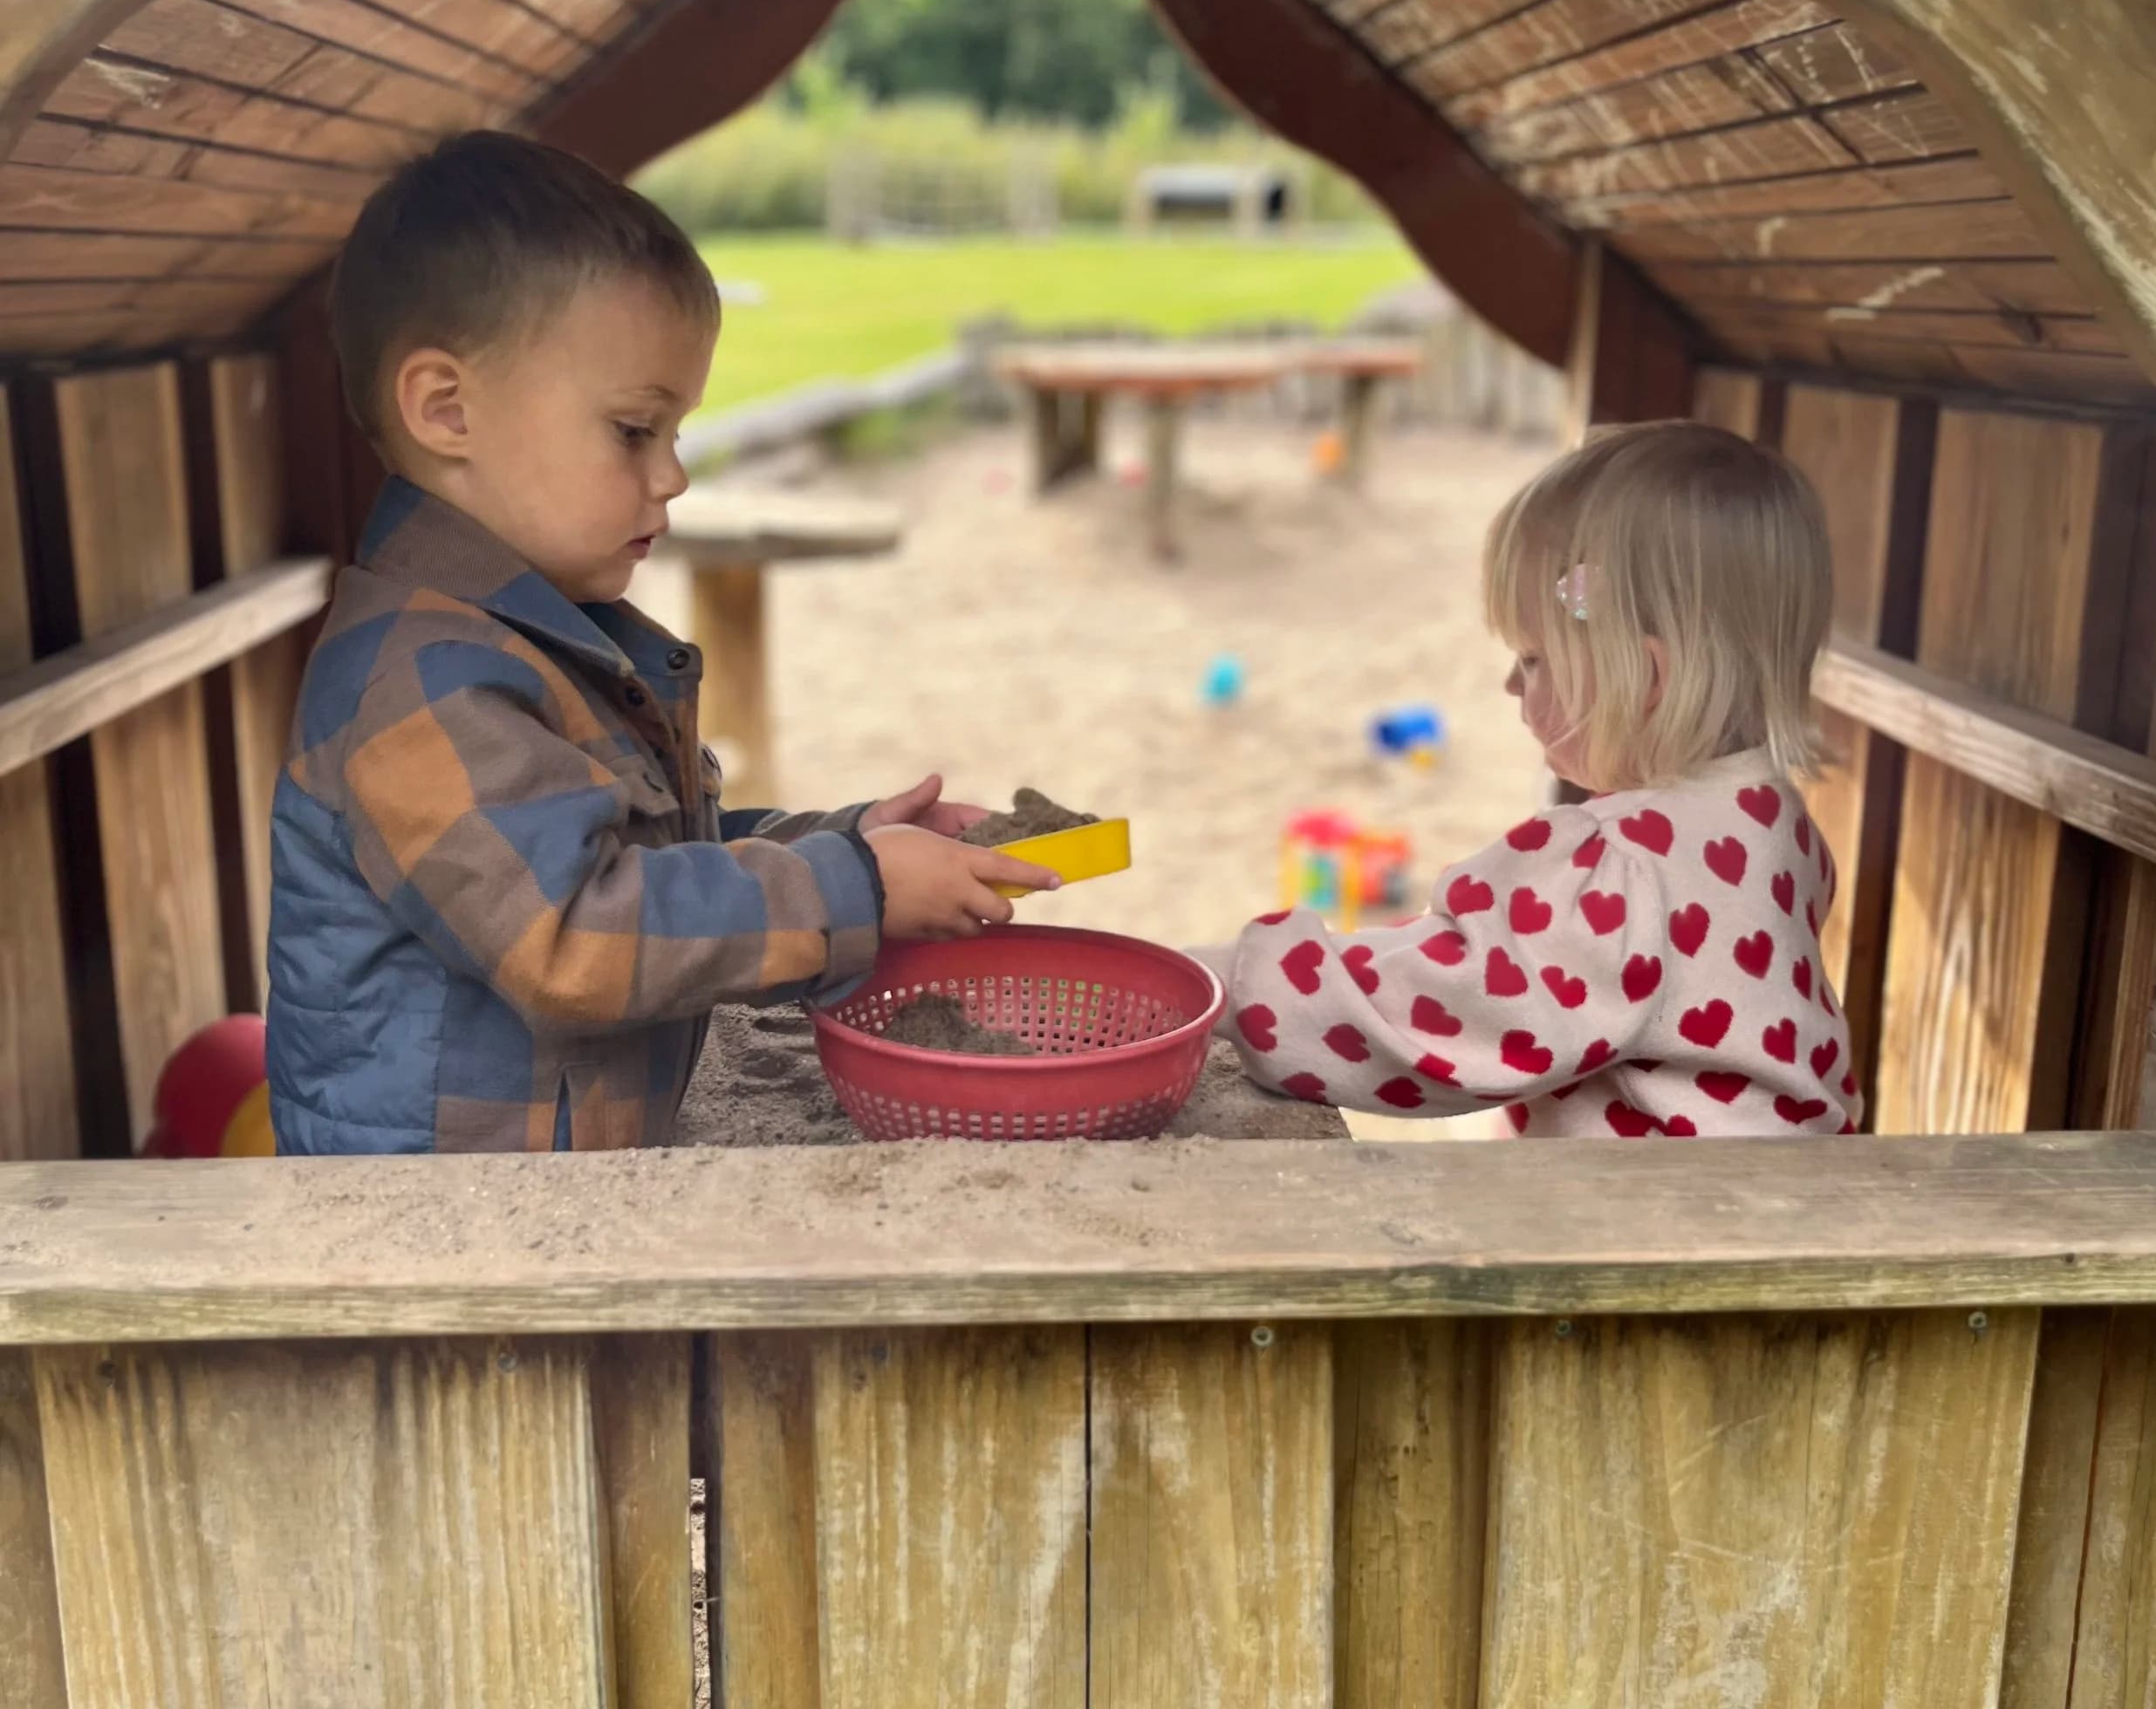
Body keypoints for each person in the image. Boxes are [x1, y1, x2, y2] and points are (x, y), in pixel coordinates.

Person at [267, 130, 1053, 1155]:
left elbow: (655, 865)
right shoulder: (417, 682)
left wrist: (851, 841)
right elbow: (579, 937)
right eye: (635, 430)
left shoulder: (539, 637)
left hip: (548, 1209)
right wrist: (851, 889)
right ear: (447, 410)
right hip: (436, 1251)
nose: (673, 474)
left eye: (677, 432)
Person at [1201, 422, 1857, 1138]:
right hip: (1782, 1207)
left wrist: (1224, 984)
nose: (1512, 682)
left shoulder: (1622, 863)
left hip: (1675, 1232)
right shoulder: (1772, 817)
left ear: (1646, 678)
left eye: (1537, 659)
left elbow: (1422, 1008)